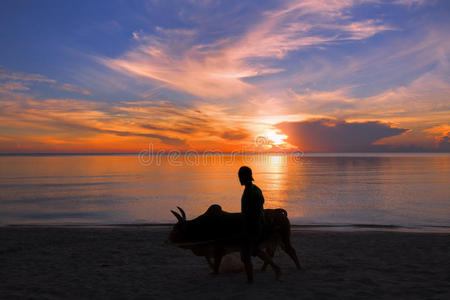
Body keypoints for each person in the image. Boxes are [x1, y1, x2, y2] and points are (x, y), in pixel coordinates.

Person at [238, 166, 281, 283]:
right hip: (258, 224)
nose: (239, 179)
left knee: (245, 256)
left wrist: (244, 228)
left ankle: (250, 280)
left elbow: (249, 213)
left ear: (244, 177)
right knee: (255, 250)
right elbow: (260, 208)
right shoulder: (256, 189)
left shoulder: (249, 193)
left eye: (240, 176)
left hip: (251, 227)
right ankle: (275, 268)